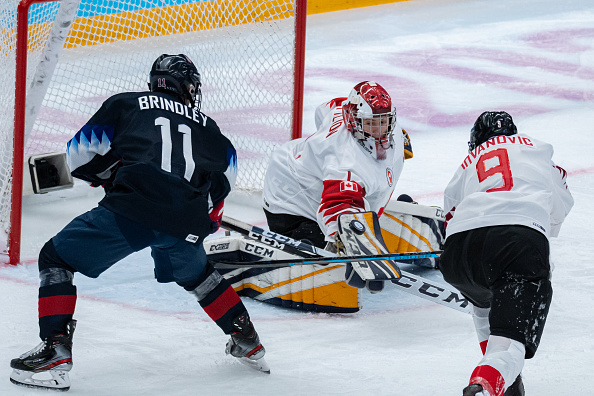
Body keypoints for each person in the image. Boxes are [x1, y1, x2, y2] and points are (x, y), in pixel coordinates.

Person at [9, 54, 269, 391]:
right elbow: (222, 187)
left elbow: (78, 155)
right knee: (199, 274)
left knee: (55, 258)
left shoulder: (125, 104)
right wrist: (197, 219)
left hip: (132, 207)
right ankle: (247, 340)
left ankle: (55, 349)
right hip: (186, 221)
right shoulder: (214, 131)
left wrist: (116, 175)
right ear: (187, 88)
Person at [438, 111, 574, 396]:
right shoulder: (537, 150)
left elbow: (449, 216)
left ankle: (509, 383)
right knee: (511, 341)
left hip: (459, 253)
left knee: (485, 303)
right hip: (516, 242)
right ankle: (487, 384)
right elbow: (560, 206)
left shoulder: (468, 161)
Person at [262, 81, 413, 250]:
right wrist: (346, 239)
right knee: (318, 246)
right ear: (353, 120)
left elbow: (328, 107)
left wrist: (321, 148)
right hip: (287, 194)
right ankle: (303, 242)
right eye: (370, 124)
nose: (379, 131)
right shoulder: (345, 160)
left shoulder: (347, 110)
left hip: (301, 167)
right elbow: (338, 203)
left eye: (383, 122)